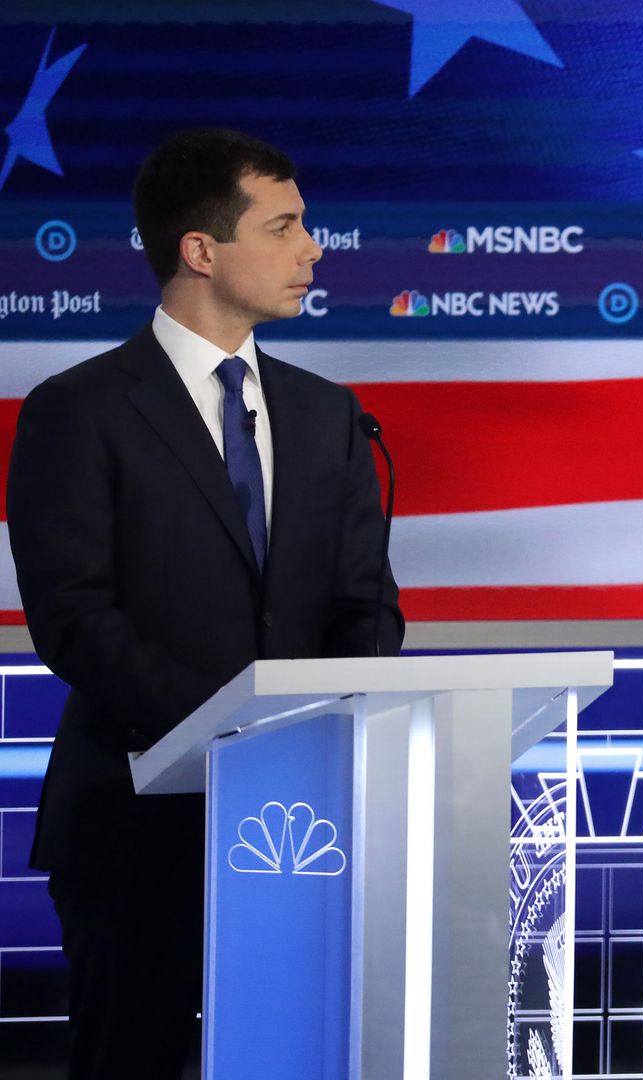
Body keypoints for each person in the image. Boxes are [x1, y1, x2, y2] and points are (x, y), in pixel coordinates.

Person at [8, 128, 403, 1079]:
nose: (314, 248)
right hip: (134, 822)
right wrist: (230, 735)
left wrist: (313, 734)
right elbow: (73, 616)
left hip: (306, 828)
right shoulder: (80, 409)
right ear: (201, 250)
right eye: (286, 226)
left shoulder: (329, 414)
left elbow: (365, 606)